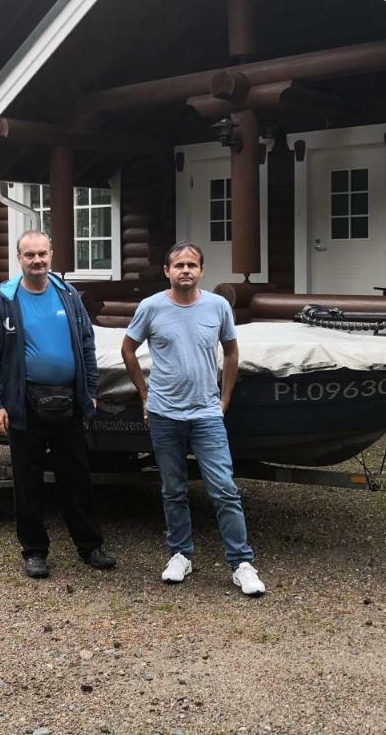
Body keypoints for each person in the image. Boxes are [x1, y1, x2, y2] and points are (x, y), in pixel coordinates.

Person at [120, 241, 265, 596]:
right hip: (165, 414)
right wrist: (144, 394)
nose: (186, 270)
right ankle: (181, 554)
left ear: (201, 271)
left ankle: (241, 563)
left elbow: (231, 352)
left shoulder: (217, 307)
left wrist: (225, 398)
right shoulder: (151, 307)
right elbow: (128, 349)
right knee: (173, 490)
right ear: (167, 271)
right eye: (179, 265)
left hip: (206, 414)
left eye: (192, 265)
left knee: (224, 489)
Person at [0, 230, 116, 579]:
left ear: (51, 255)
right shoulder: (5, 302)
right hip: (25, 406)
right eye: (29, 255)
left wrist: (91, 391)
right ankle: (34, 551)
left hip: (68, 403)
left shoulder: (69, 296)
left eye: (42, 254)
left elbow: (87, 345)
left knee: (77, 479)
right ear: (19, 258)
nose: (37, 260)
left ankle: (90, 546)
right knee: (28, 483)